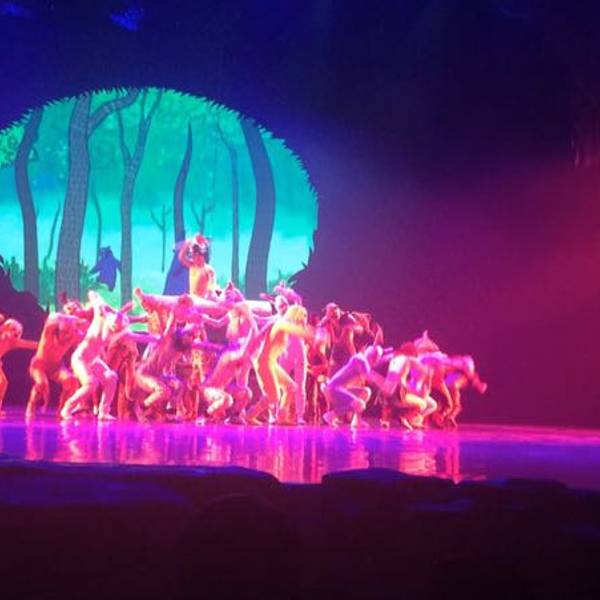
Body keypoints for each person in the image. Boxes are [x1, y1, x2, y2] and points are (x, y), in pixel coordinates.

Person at [26, 312, 86, 418]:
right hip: (39, 365)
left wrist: (78, 320)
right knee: (41, 384)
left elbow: (88, 328)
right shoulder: (49, 331)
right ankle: (31, 405)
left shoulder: (75, 335)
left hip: (56, 367)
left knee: (71, 380)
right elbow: (52, 317)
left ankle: (62, 409)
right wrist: (68, 317)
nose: (66, 335)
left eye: (69, 332)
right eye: (64, 331)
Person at [322, 344, 384, 429]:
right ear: (374, 357)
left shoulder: (361, 359)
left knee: (366, 392)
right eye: (377, 359)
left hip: (339, 389)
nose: (376, 362)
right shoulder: (361, 360)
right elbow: (370, 377)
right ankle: (331, 415)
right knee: (360, 404)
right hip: (334, 389)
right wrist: (385, 382)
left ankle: (357, 421)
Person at [0, 318, 37, 415]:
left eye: (18, 332)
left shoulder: (13, 342)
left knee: (3, 382)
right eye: (13, 329)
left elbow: (32, 345)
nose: (16, 333)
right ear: (5, 328)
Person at [177, 234, 217, 298]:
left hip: (203, 301)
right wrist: (188, 243)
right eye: (194, 255)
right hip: (193, 300)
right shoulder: (192, 266)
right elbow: (181, 258)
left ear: (203, 256)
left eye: (199, 255)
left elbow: (211, 290)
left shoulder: (209, 270)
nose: (196, 257)